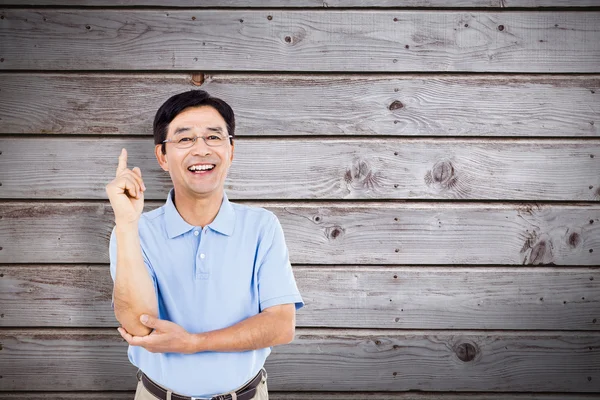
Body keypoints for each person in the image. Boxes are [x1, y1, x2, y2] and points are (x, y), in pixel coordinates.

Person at [105, 90, 304, 400]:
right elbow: (140, 329)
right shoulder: (133, 231)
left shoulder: (262, 227)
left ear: (231, 150)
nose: (201, 149)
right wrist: (128, 224)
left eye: (213, 137)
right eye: (185, 139)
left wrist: (195, 342)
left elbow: (281, 325)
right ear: (162, 156)